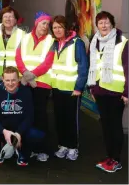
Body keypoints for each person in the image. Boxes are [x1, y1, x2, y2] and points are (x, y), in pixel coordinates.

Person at [88, 11, 127, 173]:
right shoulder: (94, 41)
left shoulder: (122, 43)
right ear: (97, 25)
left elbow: (128, 69)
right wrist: (92, 88)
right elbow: (94, 67)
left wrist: (127, 93)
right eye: (100, 23)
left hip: (116, 93)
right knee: (106, 126)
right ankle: (109, 157)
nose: (103, 25)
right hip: (100, 92)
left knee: (115, 127)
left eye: (106, 22)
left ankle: (116, 159)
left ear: (112, 24)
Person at [0, 66, 43, 167]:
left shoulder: (26, 92)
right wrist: (3, 131)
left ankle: (22, 152)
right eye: (7, 80)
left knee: (37, 135)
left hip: (19, 130)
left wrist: (19, 133)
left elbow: (30, 117)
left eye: (13, 80)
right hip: (2, 130)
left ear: (18, 79)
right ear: (3, 80)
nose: (10, 83)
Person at [15, 11, 55, 162]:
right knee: (26, 116)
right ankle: (27, 148)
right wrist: (25, 73)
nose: (46, 26)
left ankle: (42, 149)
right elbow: (18, 57)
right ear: (36, 23)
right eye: (43, 23)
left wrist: (32, 76)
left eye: (48, 24)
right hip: (26, 82)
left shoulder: (51, 40)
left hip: (41, 84)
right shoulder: (24, 38)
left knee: (40, 117)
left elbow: (48, 62)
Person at [49, 15, 88, 161]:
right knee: (60, 119)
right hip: (57, 88)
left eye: (60, 27)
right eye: (54, 27)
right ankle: (63, 145)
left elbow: (83, 67)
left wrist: (79, 87)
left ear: (66, 28)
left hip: (72, 90)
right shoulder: (55, 43)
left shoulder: (76, 43)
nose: (57, 30)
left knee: (72, 120)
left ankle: (73, 147)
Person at [0, 7, 26, 79]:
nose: (8, 19)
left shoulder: (22, 35)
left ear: (16, 20)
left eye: (11, 17)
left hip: (15, 76)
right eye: (5, 17)